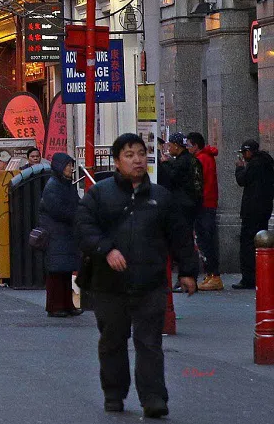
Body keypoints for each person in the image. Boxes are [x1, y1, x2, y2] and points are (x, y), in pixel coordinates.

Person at [76, 133, 198, 418]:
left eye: (141, 153)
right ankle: (114, 394)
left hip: (150, 282)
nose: (137, 160)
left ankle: (154, 397)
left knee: (150, 343)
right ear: (117, 161)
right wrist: (106, 250)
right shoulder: (99, 194)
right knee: (113, 341)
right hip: (109, 284)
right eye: (129, 155)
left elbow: (179, 235)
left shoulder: (161, 197)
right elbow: (83, 227)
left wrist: (188, 272)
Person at [38, 152, 81, 317]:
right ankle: (55, 306)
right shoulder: (53, 186)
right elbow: (58, 210)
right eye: (68, 165)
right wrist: (76, 214)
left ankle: (67, 304)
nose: (71, 168)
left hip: (65, 234)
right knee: (56, 272)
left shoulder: (65, 184)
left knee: (65, 270)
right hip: (56, 234)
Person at [234, 138, 274, 289]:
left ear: (249, 151)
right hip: (264, 208)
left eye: (244, 152)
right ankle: (260, 274)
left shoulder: (254, 165)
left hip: (252, 210)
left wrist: (239, 168)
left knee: (248, 243)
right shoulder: (267, 163)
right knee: (260, 241)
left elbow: (242, 180)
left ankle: (248, 278)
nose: (243, 156)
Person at [186, 133, 222, 290]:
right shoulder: (206, 157)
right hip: (208, 202)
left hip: (204, 204)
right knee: (206, 239)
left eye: (188, 145)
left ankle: (213, 275)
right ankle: (211, 275)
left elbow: (199, 184)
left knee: (205, 239)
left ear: (195, 146)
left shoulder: (201, 159)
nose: (187, 148)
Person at [157, 132, 202, 227]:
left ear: (176, 146)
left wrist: (165, 164)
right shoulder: (191, 159)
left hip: (183, 204)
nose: (169, 149)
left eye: (170, 145)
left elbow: (172, 177)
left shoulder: (182, 161)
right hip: (193, 202)